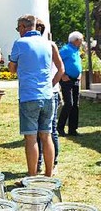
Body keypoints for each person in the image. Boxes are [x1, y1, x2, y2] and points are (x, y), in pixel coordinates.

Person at [9, 14, 55, 177]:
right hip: (48, 95)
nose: (18, 31)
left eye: (18, 28)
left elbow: (12, 69)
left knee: (31, 138)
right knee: (46, 135)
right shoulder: (48, 43)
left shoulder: (20, 43)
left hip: (29, 95)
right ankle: (49, 174)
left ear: (23, 27)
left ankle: (32, 176)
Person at [36, 19, 64, 174]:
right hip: (43, 92)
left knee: (50, 130)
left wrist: (52, 85)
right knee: (40, 132)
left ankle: (52, 162)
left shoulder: (49, 45)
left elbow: (60, 69)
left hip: (50, 93)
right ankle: (40, 162)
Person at [57, 31, 83, 136]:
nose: (82, 42)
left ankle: (73, 129)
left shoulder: (76, 50)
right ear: (76, 40)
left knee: (75, 105)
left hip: (75, 79)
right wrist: (62, 75)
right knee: (69, 104)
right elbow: (56, 62)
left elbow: (77, 63)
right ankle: (60, 127)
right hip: (66, 80)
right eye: (81, 40)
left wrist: (79, 73)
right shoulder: (66, 49)